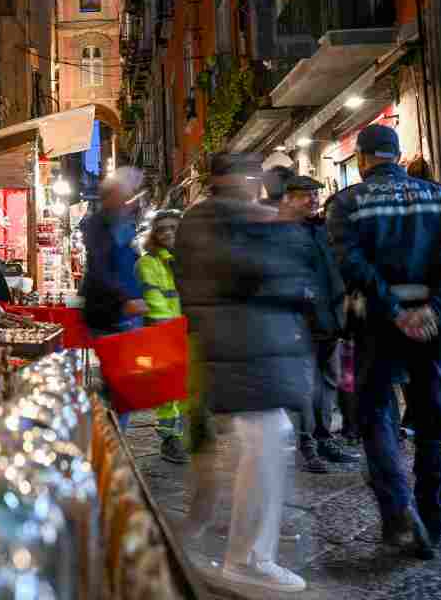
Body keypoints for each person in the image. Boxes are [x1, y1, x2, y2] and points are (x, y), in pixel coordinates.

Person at [327, 125, 441, 559]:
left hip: (377, 323)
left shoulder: (347, 203)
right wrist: (437, 307)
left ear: (360, 159)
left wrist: (394, 310)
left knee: (376, 414)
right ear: (396, 155)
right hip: (435, 326)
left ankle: (397, 511)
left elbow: (350, 263)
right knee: (435, 420)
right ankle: (433, 520)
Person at [177, 152, 315, 593]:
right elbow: (247, 272)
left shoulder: (237, 219)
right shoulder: (207, 221)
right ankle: (247, 558)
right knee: (263, 438)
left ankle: (244, 550)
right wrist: (275, 227)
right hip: (233, 347)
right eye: (245, 175)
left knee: (264, 439)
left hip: (248, 347)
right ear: (224, 178)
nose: (251, 182)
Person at [278, 174, 359, 473]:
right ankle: (306, 444)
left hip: (330, 319)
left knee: (327, 382)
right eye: (305, 195)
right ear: (288, 198)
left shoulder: (322, 229)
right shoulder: (281, 232)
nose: (312, 199)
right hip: (299, 321)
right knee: (303, 385)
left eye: (315, 194)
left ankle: (324, 439)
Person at [79, 168, 148, 429]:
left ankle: (110, 431)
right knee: (119, 383)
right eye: (126, 195)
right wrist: (124, 299)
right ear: (112, 196)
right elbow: (101, 269)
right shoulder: (97, 225)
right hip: (108, 314)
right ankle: (106, 435)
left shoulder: (124, 223)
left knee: (123, 383)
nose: (130, 200)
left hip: (125, 316)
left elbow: (127, 265)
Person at [135, 208, 189, 464]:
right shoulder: (149, 263)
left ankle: (184, 435)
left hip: (188, 331)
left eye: (173, 228)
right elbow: (156, 302)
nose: (168, 233)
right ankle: (170, 438)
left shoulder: (191, 259)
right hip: (165, 332)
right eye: (162, 229)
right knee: (169, 392)